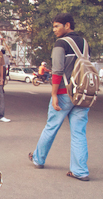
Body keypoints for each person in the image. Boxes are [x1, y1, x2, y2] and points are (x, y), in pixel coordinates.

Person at [29, 13, 90, 181]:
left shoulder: (61, 43)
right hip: (82, 94)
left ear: (67, 25)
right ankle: (80, 171)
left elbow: (57, 71)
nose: (54, 30)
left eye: (57, 26)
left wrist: (54, 94)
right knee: (79, 133)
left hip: (64, 93)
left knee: (51, 127)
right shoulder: (85, 44)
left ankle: (38, 159)